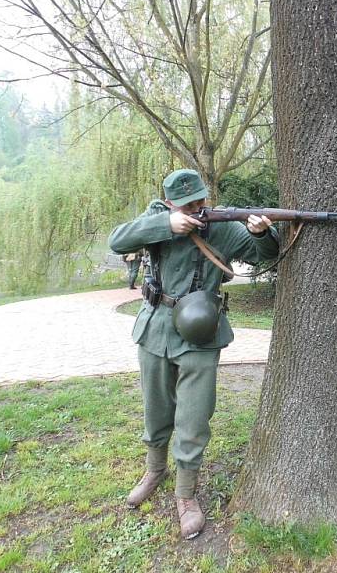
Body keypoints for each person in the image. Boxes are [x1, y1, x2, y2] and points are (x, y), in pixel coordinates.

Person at [108, 169, 279, 539]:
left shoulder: (222, 225)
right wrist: (166, 225)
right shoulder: (157, 219)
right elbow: (117, 241)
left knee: (194, 415)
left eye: (201, 199)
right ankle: (155, 470)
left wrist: (261, 233)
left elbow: (267, 257)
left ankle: (185, 495)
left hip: (202, 333)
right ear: (170, 203)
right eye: (187, 204)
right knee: (156, 407)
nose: (198, 208)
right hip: (155, 327)